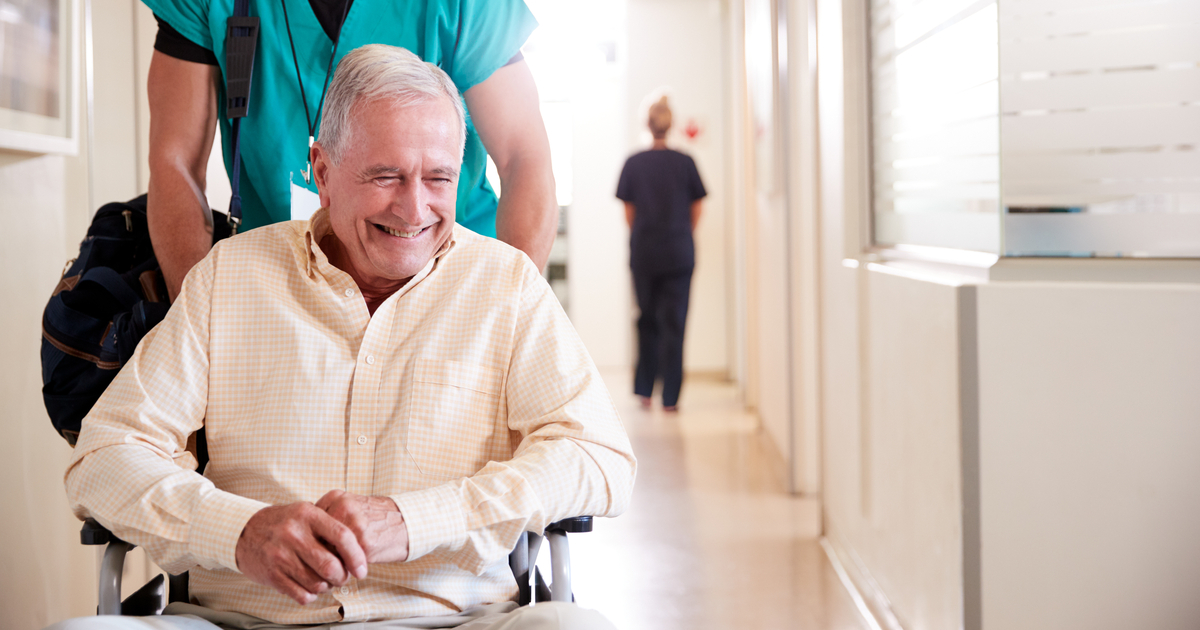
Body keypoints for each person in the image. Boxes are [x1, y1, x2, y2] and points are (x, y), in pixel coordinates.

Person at [49, 45, 634, 630]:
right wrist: (239, 533)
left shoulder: (506, 286)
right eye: (386, 176)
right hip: (243, 618)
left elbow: (598, 457)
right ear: (322, 173)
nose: (414, 208)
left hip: (459, 619)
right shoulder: (230, 277)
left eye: (438, 178)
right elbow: (104, 457)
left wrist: (415, 520)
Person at [144, 0, 558, 301]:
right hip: (278, 280)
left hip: (450, 277)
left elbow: (524, 157)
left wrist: (510, 310)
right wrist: (199, 316)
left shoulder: (465, 6)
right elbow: (174, 162)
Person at [615, 96, 706, 413]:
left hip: (645, 253)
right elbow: (697, 208)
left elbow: (629, 212)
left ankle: (644, 390)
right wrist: (681, 233)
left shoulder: (634, 163)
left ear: (647, 124)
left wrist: (645, 234)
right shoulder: (686, 162)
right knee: (675, 324)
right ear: (671, 124)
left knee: (646, 319)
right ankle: (671, 397)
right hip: (680, 253)